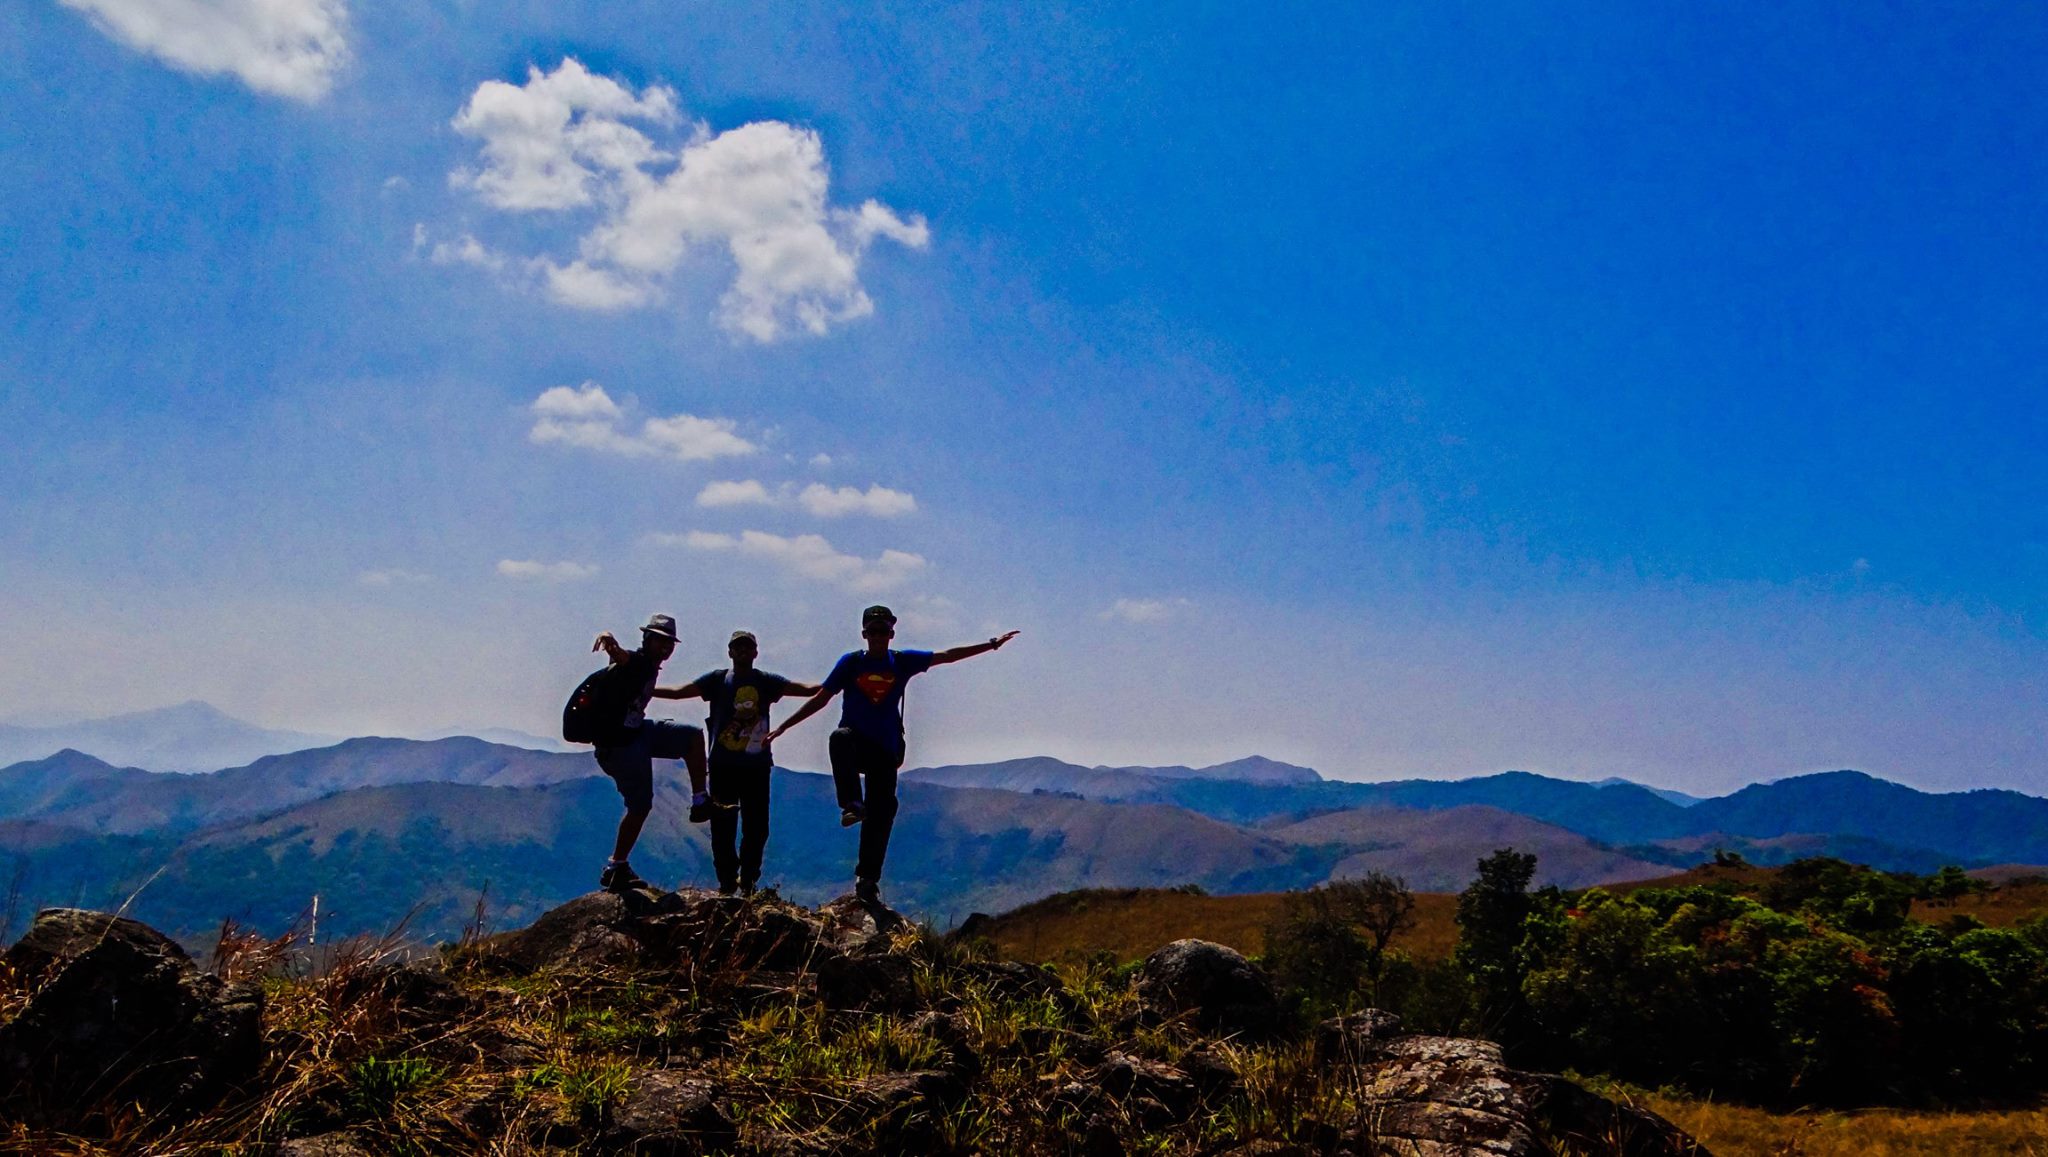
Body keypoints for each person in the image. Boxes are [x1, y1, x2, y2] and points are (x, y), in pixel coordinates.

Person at [768, 605, 1020, 904]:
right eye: (872, 631)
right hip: (856, 744)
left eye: (883, 631)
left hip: (885, 750)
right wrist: (783, 727)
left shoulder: (902, 662)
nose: (878, 636)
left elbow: (947, 655)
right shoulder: (850, 664)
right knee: (840, 737)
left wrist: (991, 644)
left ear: (891, 633)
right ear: (864, 634)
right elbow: (822, 699)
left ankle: (867, 879)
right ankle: (850, 803)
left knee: (883, 811)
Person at [677, 631, 819, 896]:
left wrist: (841, 681)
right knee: (722, 828)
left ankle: (749, 879)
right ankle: (728, 882)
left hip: (756, 766)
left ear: (755, 652)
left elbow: (807, 689)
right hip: (722, 765)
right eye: (737, 647)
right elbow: (679, 693)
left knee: (757, 828)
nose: (742, 651)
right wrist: (643, 689)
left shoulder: (766, 681)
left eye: (747, 647)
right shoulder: (717, 680)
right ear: (730, 652)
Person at [588, 614, 709, 893]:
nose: (665, 647)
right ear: (647, 640)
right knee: (640, 806)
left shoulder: (648, 667)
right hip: (622, 746)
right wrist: (611, 643)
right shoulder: (640, 663)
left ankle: (700, 799)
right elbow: (625, 658)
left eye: (669, 643)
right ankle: (616, 866)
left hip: (636, 733)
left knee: (691, 736)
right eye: (659, 641)